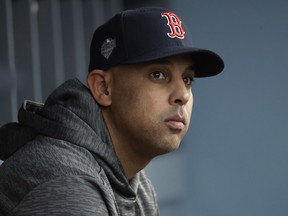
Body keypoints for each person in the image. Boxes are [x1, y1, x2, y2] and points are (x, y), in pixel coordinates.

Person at [0, 6, 224, 216]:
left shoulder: (137, 184)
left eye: (187, 79)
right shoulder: (70, 186)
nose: (182, 95)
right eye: (158, 74)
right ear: (103, 88)